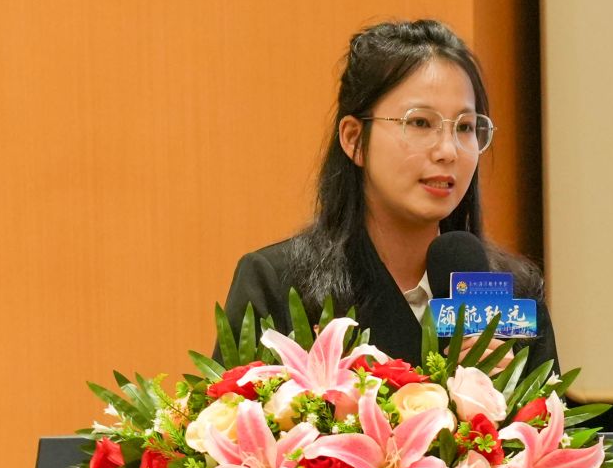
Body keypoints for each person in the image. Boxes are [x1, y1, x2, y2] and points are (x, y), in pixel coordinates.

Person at [221, 19, 560, 372]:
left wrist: (502, 394)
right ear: (354, 139)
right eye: (420, 123)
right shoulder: (280, 285)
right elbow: (233, 406)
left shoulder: (515, 294)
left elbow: (552, 408)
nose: (448, 151)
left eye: (465, 127)